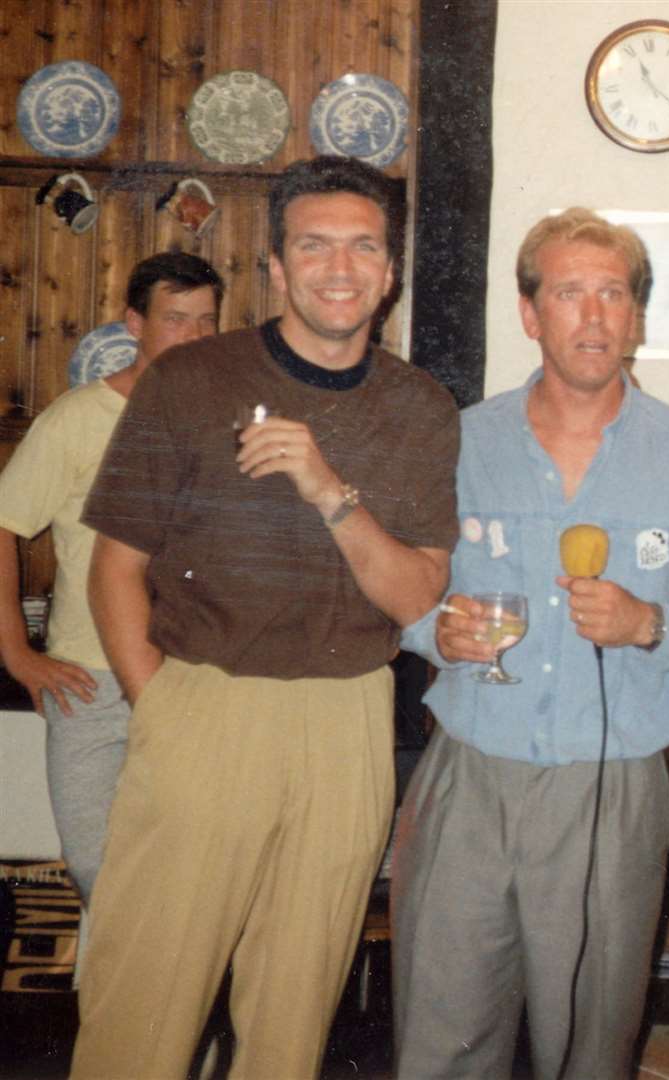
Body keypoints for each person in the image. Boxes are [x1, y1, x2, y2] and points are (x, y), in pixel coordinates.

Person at [70, 156, 460, 1079]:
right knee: (142, 1010)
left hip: (346, 720)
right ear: (277, 268)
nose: (339, 266)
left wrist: (328, 488)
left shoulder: (421, 408)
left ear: (390, 270)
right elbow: (114, 566)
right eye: (313, 244)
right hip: (205, 705)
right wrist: (158, 703)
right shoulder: (192, 379)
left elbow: (413, 596)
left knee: (291, 1023)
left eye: (363, 245)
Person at [391, 208, 669, 1080]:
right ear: (530, 314)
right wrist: (429, 630)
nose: (593, 317)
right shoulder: (458, 442)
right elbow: (399, 588)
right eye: (568, 294)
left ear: (637, 317)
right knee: (439, 1045)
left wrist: (650, 625)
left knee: (590, 1051)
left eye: (613, 295)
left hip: (615, 795)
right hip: (468, 777)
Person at [0, 252, 222, 904]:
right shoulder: (75, 420)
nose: (195, 338)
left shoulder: (229, 423)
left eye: (207, 321)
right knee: (99, 869)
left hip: (194, 678)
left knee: (188, 877)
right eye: (177, 319)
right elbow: (4, 522)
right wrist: (17, 653)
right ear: (135, 323)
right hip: (88, 683)